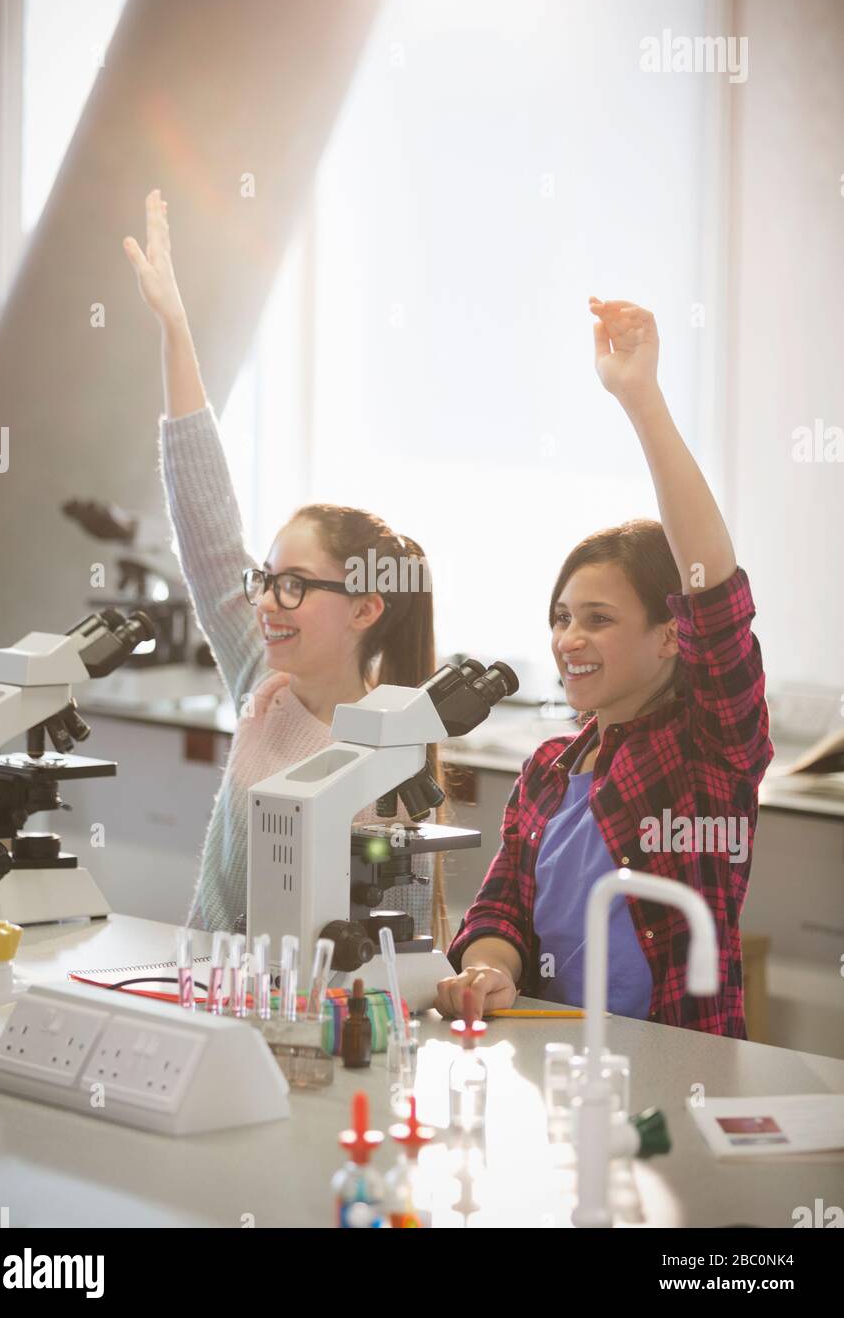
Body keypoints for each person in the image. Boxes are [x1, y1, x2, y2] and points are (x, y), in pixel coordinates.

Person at [436, 297, 773, 1037]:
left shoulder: (707, 747)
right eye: (560, 618)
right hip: (555, 1061)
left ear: (668, 636)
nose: (568, 640)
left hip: (679, 1066)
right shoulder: (548, 771)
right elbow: (502, 912)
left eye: (597, 619)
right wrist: (490, 967)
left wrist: (640, 399)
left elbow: (711, 590)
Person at [123, 189, 449, 943]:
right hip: (207, 990)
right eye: (268, 579)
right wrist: (175, 330)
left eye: (295, 584)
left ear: (367, 606)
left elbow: (397, 945)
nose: (268, 601)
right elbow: (206, 530)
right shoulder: (261, 685)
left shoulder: (389, 757)